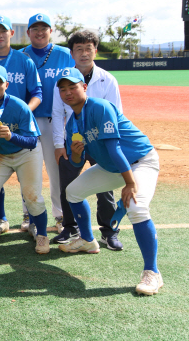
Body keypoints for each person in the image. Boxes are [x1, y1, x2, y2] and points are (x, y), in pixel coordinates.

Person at [57, 67, 162, 295]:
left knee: (136, 206)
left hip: (140, 161)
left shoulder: (100, 107)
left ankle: (152, 272)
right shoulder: (71, 123)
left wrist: (131, 183)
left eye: (72, 87)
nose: (67, 93)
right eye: (62, 89)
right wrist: (76, 154)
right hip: (112, 167)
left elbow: (114, 148)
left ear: (84, 87)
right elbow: (76, 164)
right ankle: (87, 240)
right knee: (73, 191)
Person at [52, 30, 123, 250]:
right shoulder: (63, 79)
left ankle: (109, 231)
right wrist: (57, 144)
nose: (84, 53)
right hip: (72, 142)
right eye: (79, 49)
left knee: (105, 186)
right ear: (71, 53)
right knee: (68, 184)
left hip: (100, 142)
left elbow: (116, 113)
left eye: (88, 49)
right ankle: (70, 226)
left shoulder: (107, 79)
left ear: (95, 51)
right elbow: (57, 113)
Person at [0, 64, 50, 256]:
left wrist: (12, 136)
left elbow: (32, 142)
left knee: (32, 197)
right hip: (0, 155)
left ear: (7, 84)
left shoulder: (19, 106)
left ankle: (43, 235)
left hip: (26, 153)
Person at [0, 16, 42, 238]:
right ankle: (2, 219)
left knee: (28, 182)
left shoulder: (24, 60)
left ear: (11, 33)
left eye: (4, 31)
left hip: (19, 126)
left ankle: (31, 220)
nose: (0, 34)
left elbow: (37, 93)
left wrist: (23, 113)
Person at [22, 13, 74, 234]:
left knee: (56, 170)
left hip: (56, 122)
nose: (40, 32)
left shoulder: (64, 54)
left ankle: (60, 214)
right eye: (35, 28)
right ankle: (28, 213)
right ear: (28, 33)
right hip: (28, 121)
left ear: (51, 31)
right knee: (28, 171)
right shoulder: (20, 55)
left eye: (44, 28)